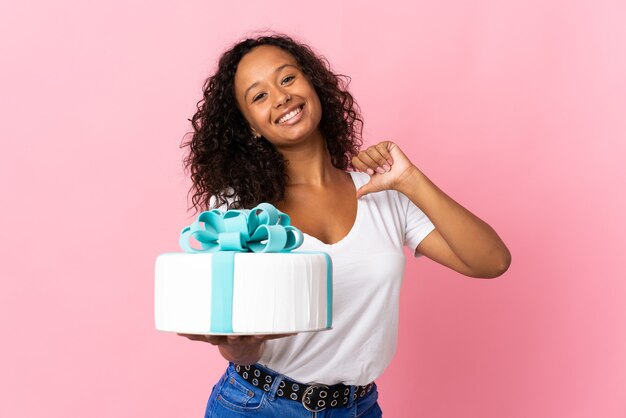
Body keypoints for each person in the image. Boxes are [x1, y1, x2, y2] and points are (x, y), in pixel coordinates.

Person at [179, 33, 511, 418]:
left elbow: (492, 261)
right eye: (259, 96)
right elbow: (246, 343)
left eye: (286, 79)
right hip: (258, 405)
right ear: (250, 125)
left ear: (313, 85)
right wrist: (236, 345)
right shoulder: (240, 207)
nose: (280, 97)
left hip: (358, 407)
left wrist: (411, 181)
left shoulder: (382, 192)